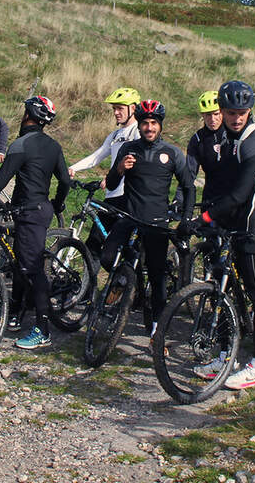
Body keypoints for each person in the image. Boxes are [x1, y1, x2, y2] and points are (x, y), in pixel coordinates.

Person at [193, 81, 255, 392]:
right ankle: (226, 356)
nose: (237, 118)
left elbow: (239, 194)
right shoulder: (227, 139)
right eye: (232, 112)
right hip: (235, 224)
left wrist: (204, 217)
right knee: (229, 289)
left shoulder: (254, 140)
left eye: (242, 113)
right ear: (221, 111)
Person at [0, 96, 71, 349]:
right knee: (20, 262)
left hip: (29, 212)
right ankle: (17, 313)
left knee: (32, 268)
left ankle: (43, 330)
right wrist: (58, 203)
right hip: (39, 209)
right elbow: (64, 180)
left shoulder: (21, 145)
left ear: (27, 116)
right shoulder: (53, 146)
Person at [100, 100, 196, 338]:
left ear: (160, 125)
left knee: (157, 275)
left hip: (156, 222)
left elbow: (189, 187)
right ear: (139, 125)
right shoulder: (129, 149)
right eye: (145, 123)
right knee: (107, 257)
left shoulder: (172, 152)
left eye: (154, 123)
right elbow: (111, 184)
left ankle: (156, 329)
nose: (149, 128)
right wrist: (120, 168)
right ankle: (125, 281)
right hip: (129, 216)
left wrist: (185, 220)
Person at [68, 87, 142, 252]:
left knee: (123, 249)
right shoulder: (115, 135)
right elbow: (97, 156)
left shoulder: (138, 132)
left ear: (133, 108)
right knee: (94, 244)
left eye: (120, 108)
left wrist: (110, 177)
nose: (116, 112)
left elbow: (138, 164)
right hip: (112, 196)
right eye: (114, 108)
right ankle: (90, 278)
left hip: (128, 198)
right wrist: (73, 168)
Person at [186, 90, 228, 209]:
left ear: (223, 113)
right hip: (210, 196)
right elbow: (189, 174)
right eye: (207, 115)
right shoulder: (198, 139)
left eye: (216, 114)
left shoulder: (233, 134)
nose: (212, 119)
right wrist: (180, 200)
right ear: (202, 115)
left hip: (234, 196)